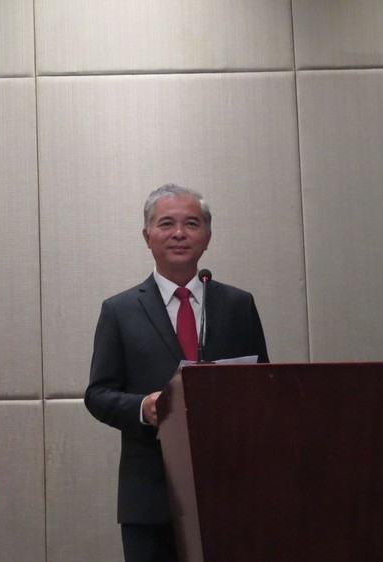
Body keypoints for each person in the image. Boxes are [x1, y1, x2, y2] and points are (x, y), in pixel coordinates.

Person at [85, 183, 269, 562]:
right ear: (147, 236)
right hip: (150, 496)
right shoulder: (119, 310)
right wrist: (144, 407)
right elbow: (98, 393)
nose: (180, 233)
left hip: (231, 492)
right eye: (167, 224)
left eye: (192, 223)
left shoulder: (238, 304)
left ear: (208, 237)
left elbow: (265, 387)